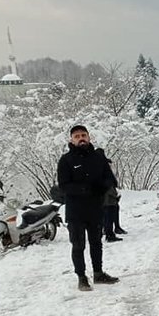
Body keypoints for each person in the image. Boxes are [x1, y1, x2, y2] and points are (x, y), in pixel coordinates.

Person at [57, 124, 120, 291]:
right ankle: (81, 277)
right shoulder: (66, 160)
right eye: (77, 136)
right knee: (78, 245)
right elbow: (63, 185)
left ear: (89, 137)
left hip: (96, 208)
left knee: (96, 243)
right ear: (71, 140)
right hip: (75, 211)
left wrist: (102, 188)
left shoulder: (98, 157)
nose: (81, 138)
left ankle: (98, 273)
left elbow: (110, 179)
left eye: (83, 135)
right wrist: (84, 189)